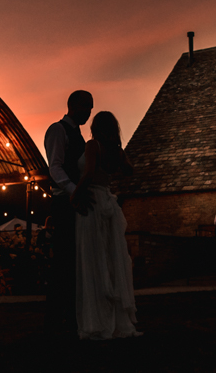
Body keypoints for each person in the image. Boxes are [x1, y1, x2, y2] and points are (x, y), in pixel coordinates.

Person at [71, 111, 139, 340]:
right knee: (110, 258)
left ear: (95, 127)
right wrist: (120, 159)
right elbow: (130, 170)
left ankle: (97, 320)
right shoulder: (116, 151)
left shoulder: (93, 146)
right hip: (108, 202)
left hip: (92, 203)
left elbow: (88, 172)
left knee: (92, 258)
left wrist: (75, 195)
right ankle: (117, 320)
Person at [44, 90, 93, 338]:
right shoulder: (58, 130)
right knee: (63, 260)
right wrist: (74, 191)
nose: (89, 112)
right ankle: (55, 318)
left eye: (91, 108)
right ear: (74, 106)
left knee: (74, 261)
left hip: (75, 202)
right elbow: (55, 166)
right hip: (64, 203)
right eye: (87, 107)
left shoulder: (78, 135)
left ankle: (71, 314)